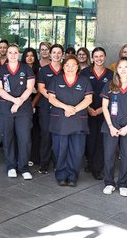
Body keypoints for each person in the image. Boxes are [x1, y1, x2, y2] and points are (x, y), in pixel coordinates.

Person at [100, 58, 127, 197]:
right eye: (120, 67)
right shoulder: (110, 85)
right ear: (116, 69)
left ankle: (123, 184)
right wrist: (110, 126)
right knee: (109, 155)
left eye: (126, 67)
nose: (123, 70)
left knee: (126, 156)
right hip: (111, 126)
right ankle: (109, 183)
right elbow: (104, 107)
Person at [47, 55, 93, 187]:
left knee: (77, 151)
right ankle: (61, 175)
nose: (70, 68)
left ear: (78, 67)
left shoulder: (84, 81)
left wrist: (74, 109)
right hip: (60, 121)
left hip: (78, 121)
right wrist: (66, 107)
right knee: (60, 150)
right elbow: (51, 98)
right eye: (67, 65)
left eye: (73, 65)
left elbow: (88, 99)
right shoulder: (56, 80)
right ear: (63, 67)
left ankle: (73, 176)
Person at [0, 45, 36, 178]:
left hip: (23, 109)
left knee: (24, 139)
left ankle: (24, 168)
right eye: (10, 52)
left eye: (15, 52)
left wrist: (19, 102)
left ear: (19, 54)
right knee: (8, 138)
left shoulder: (26, 69)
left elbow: (30, 88)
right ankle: (11, 166)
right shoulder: (0, 70)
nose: (12, 55)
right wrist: (14, 100)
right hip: (5, 108)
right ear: (6, 54)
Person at [80, 47, 113, 180]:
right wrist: (89, 109)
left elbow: (114, 95)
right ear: (92, 58)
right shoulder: (85, 73)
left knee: (100, 141)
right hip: (86, 111)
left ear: (105, 57)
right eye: (96, 56)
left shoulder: (111, 75)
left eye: (101, 56)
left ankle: (97, 169)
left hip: (104, 112)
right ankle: (90, 163)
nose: (99, 59)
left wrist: (100, 110)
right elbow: (80, 92)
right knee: (89, 140)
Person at [36, 43, 64, 174]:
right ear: (50, 54)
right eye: (54, 53)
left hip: (61, 109)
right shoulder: (44, 70)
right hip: (46, 106)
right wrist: (52, 99)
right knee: (46, 134)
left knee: (59, 135)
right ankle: (44, 163)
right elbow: (41, 88)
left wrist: (59, 103)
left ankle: (58, 162)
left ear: (63, 55)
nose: (56, 55)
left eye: (59, 53)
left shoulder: (66, 69)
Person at [23, 48, 42, 165]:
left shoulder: (39, 71)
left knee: (35, 131)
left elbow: (40, 90)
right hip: (22, 103)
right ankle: (24, 155)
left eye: (32, 55)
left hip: (35, 103)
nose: (30, 58)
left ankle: (34, 156)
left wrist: (33, 103)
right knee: (24, 132)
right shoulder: (20, 70)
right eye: (27, 55)